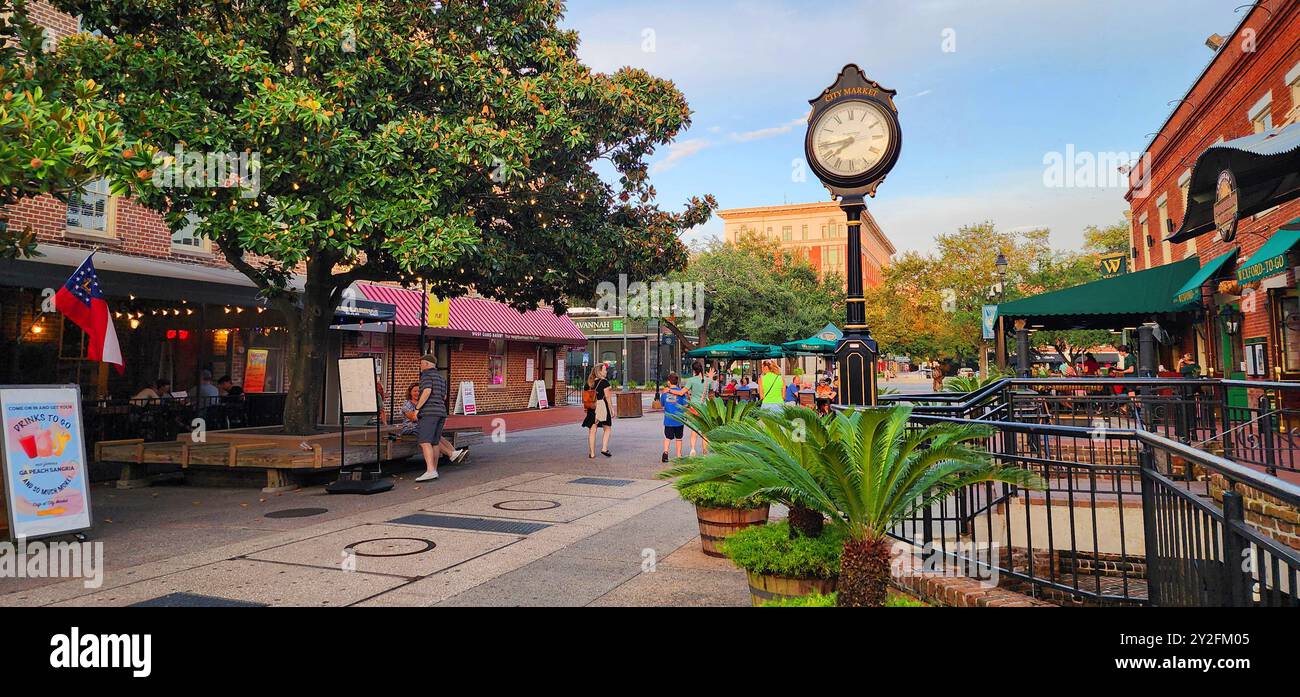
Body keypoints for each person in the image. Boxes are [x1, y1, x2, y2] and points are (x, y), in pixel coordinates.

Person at [399, 382, 467, 463]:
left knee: (439, 437)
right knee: (433, 438)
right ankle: (451, 454)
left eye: (419, 391)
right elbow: (413, 417)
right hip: (411, 428)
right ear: (410, 392)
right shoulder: (407, 404)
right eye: (415, 391)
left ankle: (456, 454)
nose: (417, 393)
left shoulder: (424, 403)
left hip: (424, 427)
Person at [413, 353, 448, 482]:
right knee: (434, 442)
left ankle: (430, 470)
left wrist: (417, 409)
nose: (420, 366)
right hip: (441, 412)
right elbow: (444, 397)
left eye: (421, 364)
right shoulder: (441, 378)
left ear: (427, 364)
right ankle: (434, 469)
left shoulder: (426, 375)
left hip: (429, 412)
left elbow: (427, 391)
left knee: (424, 441)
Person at [582, 362, 613, 458]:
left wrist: (586, 408)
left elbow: (586, 398)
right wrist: (611, 409)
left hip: (592, 407)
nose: (606, 371)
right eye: (604, 370)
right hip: (602, 406)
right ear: (599, 371)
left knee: (592, 429)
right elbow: (607, 397)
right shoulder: (604, 382)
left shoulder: (588, 383)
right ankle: (604, 448)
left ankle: (592, 453)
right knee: (607, 427)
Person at [683, 362, 713, 455]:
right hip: (705, 408)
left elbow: (684, 391)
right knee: (705, 431)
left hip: (694, 407)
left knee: (694, 429)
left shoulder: (691, 380)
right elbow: (711, 392)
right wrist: (710, 377)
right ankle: (705, 451)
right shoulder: (708, 380)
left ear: (693, 370)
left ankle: (693, 449)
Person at [660, 373, 689, 462]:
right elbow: (686, 405)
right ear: (677, 382)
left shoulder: (665, 393)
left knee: (667, 437)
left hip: (668, 419)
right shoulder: (681, 392)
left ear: (669, 382)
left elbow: (662, 404)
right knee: (679, 438)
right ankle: (679, 456)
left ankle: (665, 452)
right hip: (679, 419)